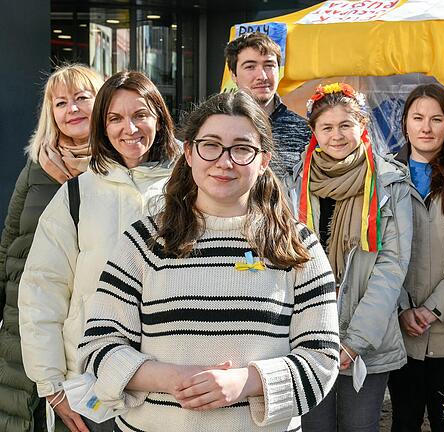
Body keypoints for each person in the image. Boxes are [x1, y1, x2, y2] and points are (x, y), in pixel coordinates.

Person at [76, 91, 339, 432]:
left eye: (242, 149)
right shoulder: (142, 242)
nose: (225, 161)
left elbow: (321, 360)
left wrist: (246, 382)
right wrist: (173, 379)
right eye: (210, 145)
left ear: (263, 161)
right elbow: (98, 345)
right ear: (188, 152)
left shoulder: (296, 247)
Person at [18, 71, 179, 432]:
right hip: (94, 384)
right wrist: (52, 386)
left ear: (159, 116)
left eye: (140, 114)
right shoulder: (76, 195)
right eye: (115, 118)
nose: (130, 128)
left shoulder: (192, 186)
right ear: (102, 126)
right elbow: (42, 291)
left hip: (174, 383)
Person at [289, 82, 412, 432]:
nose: (337, 135)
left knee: (361, 425)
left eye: (345, 125)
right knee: (314, 427)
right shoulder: (296, 181)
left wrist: (356, 340)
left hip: (368, 337)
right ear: (314, 132)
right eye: (326, 127)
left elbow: (392, 267)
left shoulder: (390, 183)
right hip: (307, 335)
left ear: (362, 126)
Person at [0, 64, 102, 432]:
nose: (71, 109)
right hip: (27, 319)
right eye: (61, 103)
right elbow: (10, 242)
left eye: (81, 98)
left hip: (88, 324)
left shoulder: (121, 171)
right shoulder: (37, 167)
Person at [387, 83, 444, 432]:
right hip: (397, 326)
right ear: (405, 123)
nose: (426, 128)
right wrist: (401, 308)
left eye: (436, 119)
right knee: (404, 418)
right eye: (418, 118)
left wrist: (433, 308)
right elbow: (376, 253)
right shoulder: (382, 179)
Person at [224, 32, 311, 180]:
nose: (262, 76)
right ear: (234, 75)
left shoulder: (305, 131)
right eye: (250, 67)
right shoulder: (217, 125)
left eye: (269, 65)